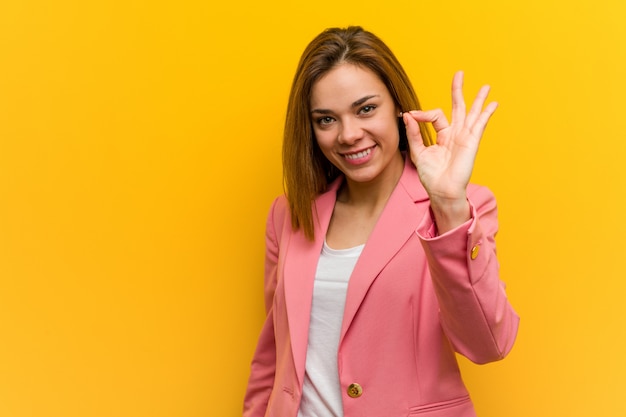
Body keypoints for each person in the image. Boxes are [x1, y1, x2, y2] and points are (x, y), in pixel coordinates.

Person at [243, 26, 519, 417]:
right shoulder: (289, 215)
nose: (349, 134)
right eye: (326, 120)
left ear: (398, 107)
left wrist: (449, 207)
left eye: (366, 109)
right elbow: (274, 356)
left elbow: (489, 344)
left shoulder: (464, 207)